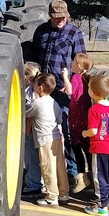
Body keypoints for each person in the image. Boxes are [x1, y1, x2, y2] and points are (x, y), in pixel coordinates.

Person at [29, 0, 86, 181]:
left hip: (63, 91)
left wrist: (72, 82)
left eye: (63, 17)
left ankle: (72, 171)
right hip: (42, 88)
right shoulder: (41, 31)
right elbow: (33, 58)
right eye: (57, 17)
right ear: (50, 16)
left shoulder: (74, 33)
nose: (60, 20)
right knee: (40, 129)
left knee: (66, 131)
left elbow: (82, 64)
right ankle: (40, 170)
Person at [25, 73, 69, 207]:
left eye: (35, 84)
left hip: (45, 140)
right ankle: (64, 193)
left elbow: (25, 113)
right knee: (60, 167)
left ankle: (51, 196)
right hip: (56, 137)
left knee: (47, 167)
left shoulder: (37, 103)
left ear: (40, 87)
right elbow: (59, 119)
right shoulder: (53, 102)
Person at [83, 72, 109, 216]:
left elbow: (93, 130)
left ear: (93, 92)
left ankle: (101, 204)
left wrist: (84, 133)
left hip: (99, 147)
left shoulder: (94, 110)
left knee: (100, 176)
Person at [64, 53, 95, 194]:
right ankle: (91, 176)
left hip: (77, 118)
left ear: (78, 66)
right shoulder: (85, 78)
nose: (71, 64)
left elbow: (71, 91)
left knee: (77, 147)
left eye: (73, 62)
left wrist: (65, 77)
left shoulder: (76, 76)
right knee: (87, 148)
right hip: (84, 116)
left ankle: (82, 176)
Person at [20, 61, 46, 200]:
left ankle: (32, 186)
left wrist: (27, 133)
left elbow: (29, 115)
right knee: (36, 159)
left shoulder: (29, 93)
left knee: (31, 160)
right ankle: (38, 183)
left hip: (31, 132)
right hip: (37, 131)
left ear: (25, 78)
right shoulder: (35, 90)